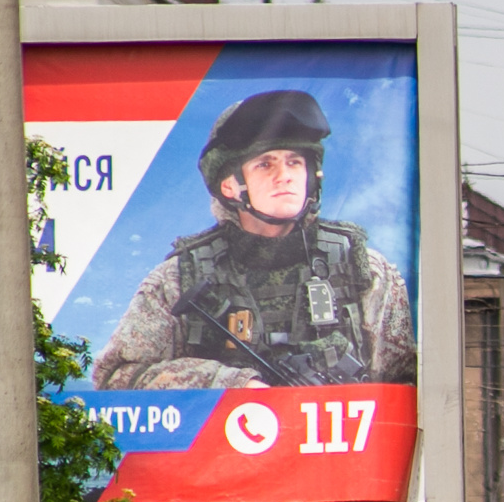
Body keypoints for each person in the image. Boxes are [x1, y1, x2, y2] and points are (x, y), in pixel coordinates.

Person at [93, 89, 416, 390]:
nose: (284, 175)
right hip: (224, 448)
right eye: (265, 164)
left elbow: (406, 388)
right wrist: (233, 385)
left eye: (294, 162)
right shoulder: (178, 280)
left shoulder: (364, 271)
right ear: (229, 186)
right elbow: (118, 378)